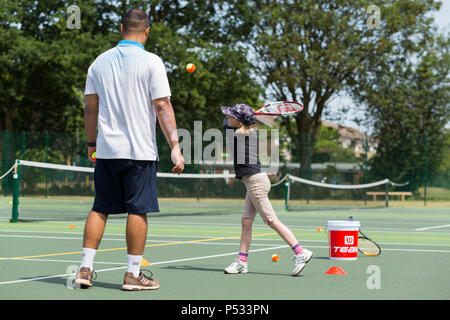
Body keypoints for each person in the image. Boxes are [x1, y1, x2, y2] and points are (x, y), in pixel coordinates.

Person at [74, 8, 184, 291]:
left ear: (121, 28)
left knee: (100, 208)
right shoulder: (152, 62)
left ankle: (84, 270)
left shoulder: (99, 62)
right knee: (138, 209)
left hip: (107, 152)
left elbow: (90, 107)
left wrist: (91, 143)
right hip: (140, 153)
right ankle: (132, 275)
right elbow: (162, 106)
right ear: (147, 32)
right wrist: (175, 145)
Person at [221, 104, 313, 276]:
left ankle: (300, 252)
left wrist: (245, 115)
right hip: (254, 182)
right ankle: (242, 262)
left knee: (271, 220)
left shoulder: (239, 136)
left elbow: (224, 125)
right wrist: (243, 115)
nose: (227, 118)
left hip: (256, 183)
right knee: (246, 221)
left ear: (240, 123)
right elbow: (228, 123)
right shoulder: (248, 132)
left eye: (231, 115)